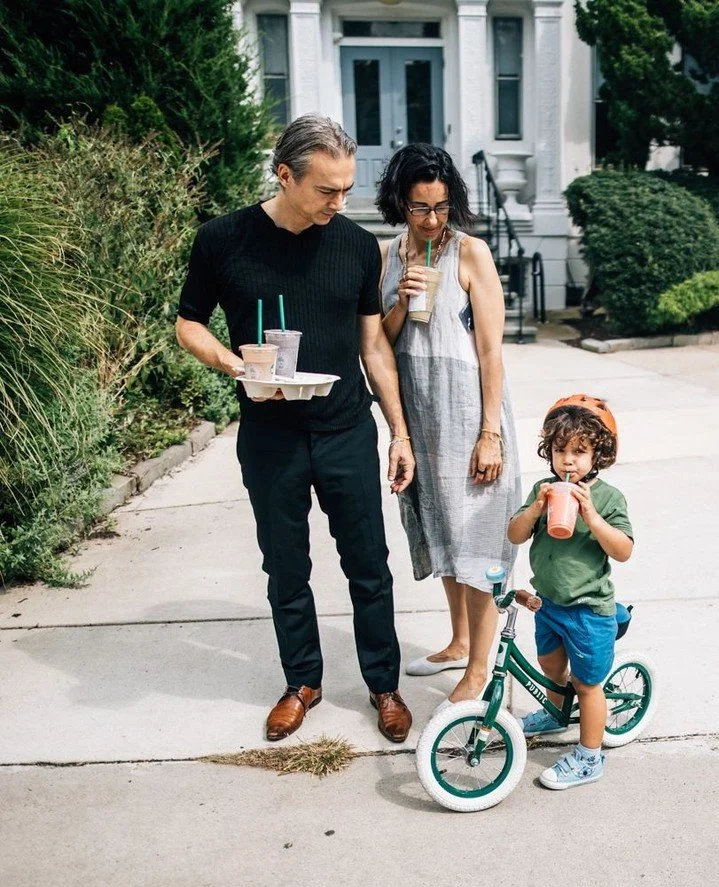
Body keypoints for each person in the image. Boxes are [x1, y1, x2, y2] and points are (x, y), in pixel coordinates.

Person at [175, 115, 415, 743]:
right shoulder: (223, 239)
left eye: (346, 190)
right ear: (284, 175)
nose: (340, 204)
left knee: (369, 565)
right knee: (286, 567)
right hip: (270, 434)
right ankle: (302, 681)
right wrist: (232, 363)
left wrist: (399, 432)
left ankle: (383, 685)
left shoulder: (358, 246)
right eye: (326, 191)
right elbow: (189, 323)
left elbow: (373, 346)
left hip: (345, 431)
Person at [377, 143, 521, 706]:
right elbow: (381, 343)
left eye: (440, 207)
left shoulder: (471, 253)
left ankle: (480, 669)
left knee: (477, 534)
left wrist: (491, 433)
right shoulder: (390, 256)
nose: (432, 219)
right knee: (439, 524)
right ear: (400, 202)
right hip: (420, 410)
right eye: (419, 208)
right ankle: (459, 640)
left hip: (466, 409)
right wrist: (400, 300)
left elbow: (491, 351)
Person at [507, 395, 634, 789]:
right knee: (549, 665)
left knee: (587, 684)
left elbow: (624, 550)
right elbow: (514, 534)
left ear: (599, 454)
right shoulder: (543, 489)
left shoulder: (609, 498)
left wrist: (591, 515)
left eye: (580, 452)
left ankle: (589, 757)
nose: (568, 460)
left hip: (588, 610)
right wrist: (535, 510)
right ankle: (555, 712)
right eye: (561, 450)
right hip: (548, 603)